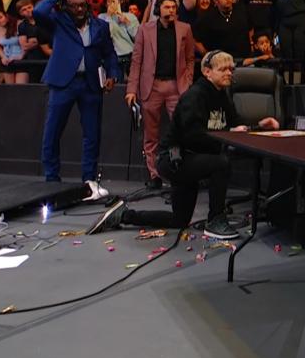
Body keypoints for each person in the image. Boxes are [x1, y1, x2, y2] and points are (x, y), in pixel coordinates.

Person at [88, 50, 279, 240]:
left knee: (179, 220)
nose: (229, 73)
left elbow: (234, 125)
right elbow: (192, 135)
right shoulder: (195, 96)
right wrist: (225, 135)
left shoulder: (222, 96)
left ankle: (124, 215)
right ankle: (215, 220)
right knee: (221, 163)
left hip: (193, 158)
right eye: (223, 69)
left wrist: (258, 126)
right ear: (207, 72)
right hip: (175, 158)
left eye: (231, 69)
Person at [33, 0, 121, 200]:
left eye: (82, 5)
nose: (79, 9)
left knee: (92, 134)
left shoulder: (101, 25)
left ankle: (89, 180)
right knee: (52, 132)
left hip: (90, 83)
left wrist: (113, 74)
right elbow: (38, 12)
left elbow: (109, 54)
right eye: (73, 5)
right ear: (65, 7)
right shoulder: (58, 20)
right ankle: (52, 179)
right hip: (63, 82)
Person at [126, 0, 196, 190]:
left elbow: (190, 58)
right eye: (167, 7)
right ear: (158, 9)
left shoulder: (185, 29)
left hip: (176, 86)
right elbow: (137, 61)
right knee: (151, 134)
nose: (171, 10)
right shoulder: (144, 30)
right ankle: (154, 174)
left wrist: (187, 81)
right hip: (152, 86)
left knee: (179, 131)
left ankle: (177, 170)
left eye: (174, 7)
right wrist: (131, 89)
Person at [0, 6, 28, 84]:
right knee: (10, 89)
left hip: (21, 60)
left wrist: (21, 56)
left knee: (20, 88)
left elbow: (26, 44)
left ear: (6, 16)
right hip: (7, 61)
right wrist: (3, 56)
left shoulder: (19, 24)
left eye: (0, 17)